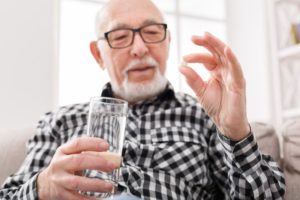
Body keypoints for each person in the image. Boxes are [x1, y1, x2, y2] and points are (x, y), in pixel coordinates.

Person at [0, 0, 285, 199]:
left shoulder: (203, 116)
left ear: (167, 41)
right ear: (98, 54)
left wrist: (235, 131)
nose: (140, 48)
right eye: (121, 37)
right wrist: (44, 186)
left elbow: (265, 196)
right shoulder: (59, 121)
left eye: (151, 33)